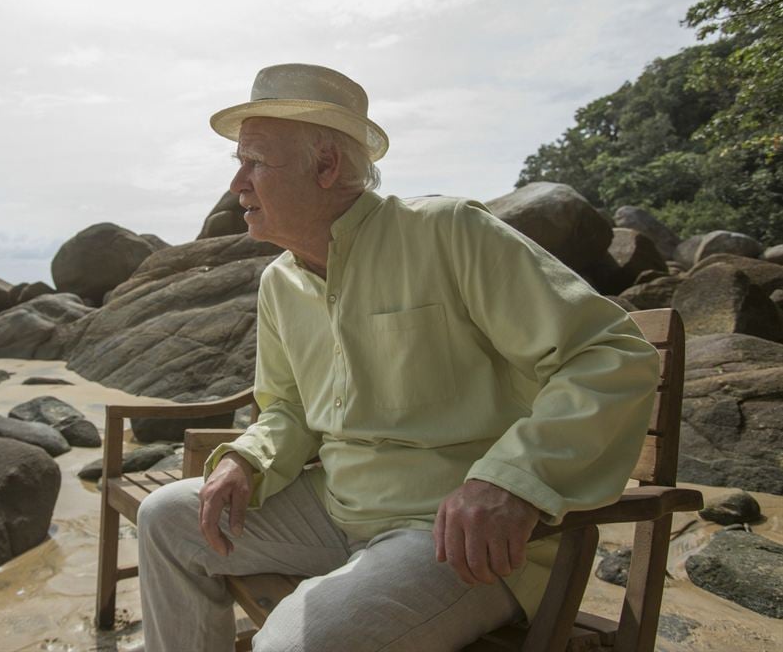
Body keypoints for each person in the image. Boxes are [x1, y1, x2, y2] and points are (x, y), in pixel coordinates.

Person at [136, 63, 659, 652]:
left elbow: (611, 354)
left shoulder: (448, 232)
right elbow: (286, 408)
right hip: (335, 507)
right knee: (165, 518)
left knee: (291, 644)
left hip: (454, 531)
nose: (237, 184)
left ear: (327, 166)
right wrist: (246, 460)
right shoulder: (279, 283)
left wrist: (513, 481)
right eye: (239, 162)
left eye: (254, 161)